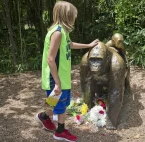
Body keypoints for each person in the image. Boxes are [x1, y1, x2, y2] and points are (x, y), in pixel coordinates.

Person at [36, 1, 99, 142]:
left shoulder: (62, 31)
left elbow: (69, 44)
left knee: (53, 101)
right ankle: (60, 131)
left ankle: (44, 117)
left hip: (61, 76)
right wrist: (57, 82)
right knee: (62, 105)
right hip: (56, 77)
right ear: (67, 16)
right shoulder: (57, 33)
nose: (75, 19)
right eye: (74, 16)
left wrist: (88, 45)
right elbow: (50, 59)